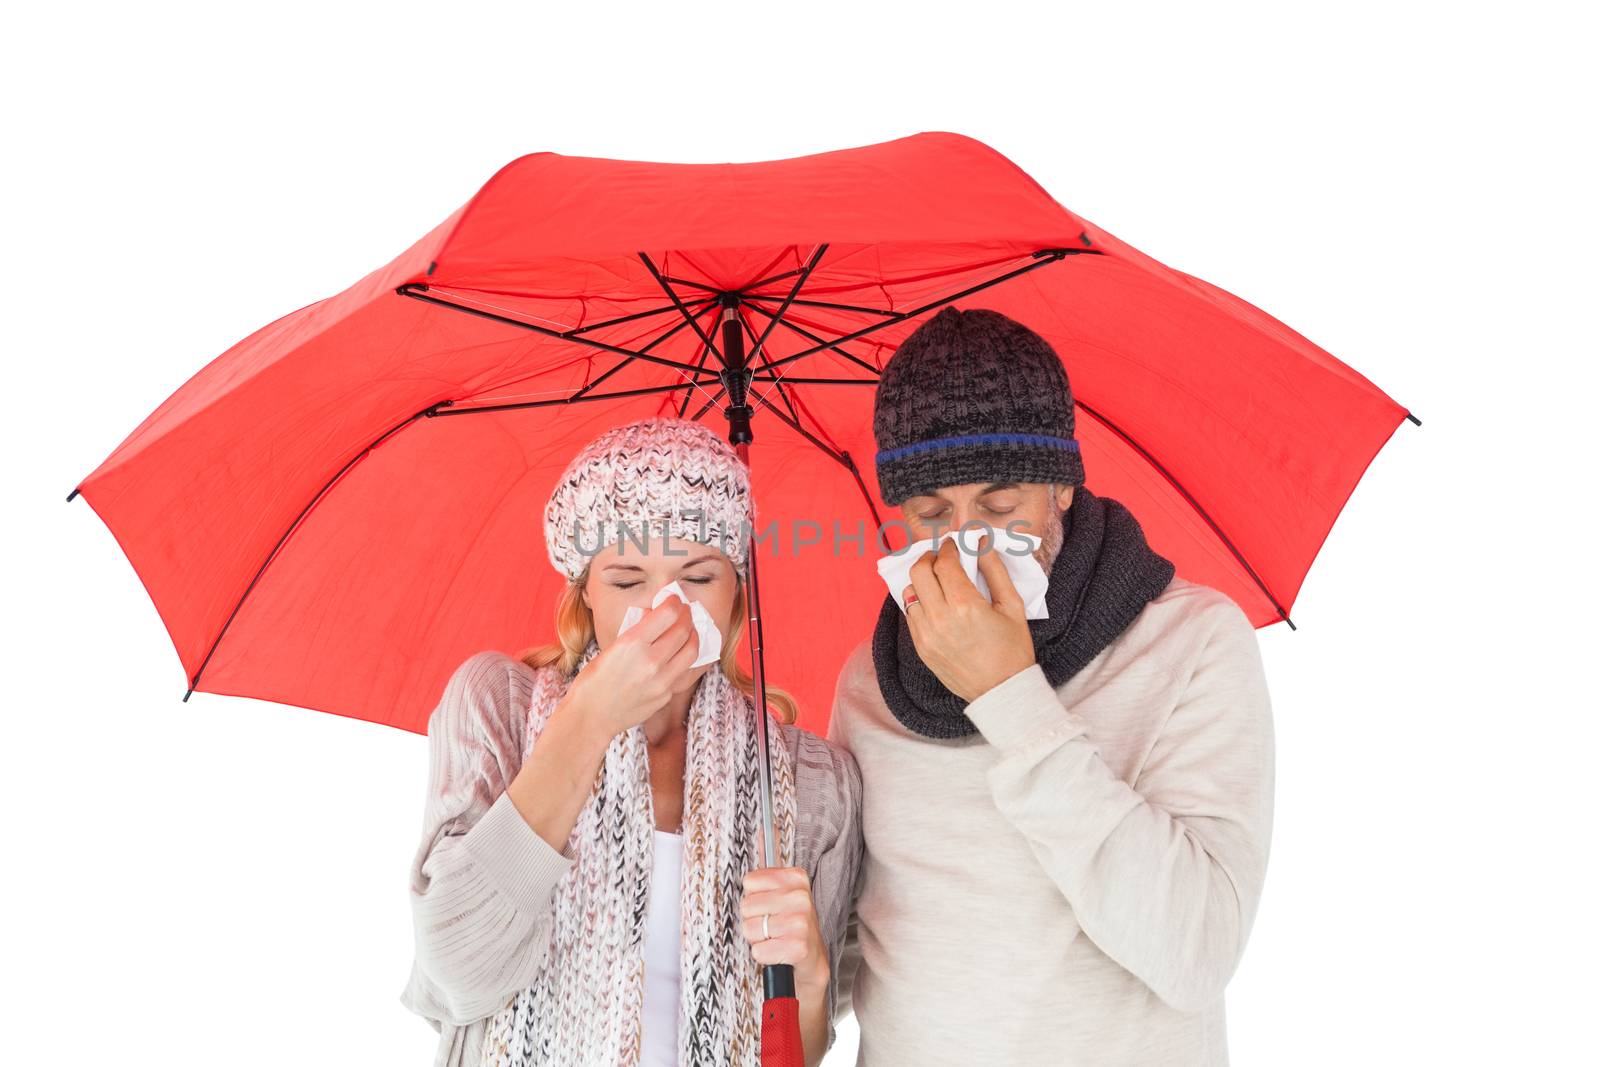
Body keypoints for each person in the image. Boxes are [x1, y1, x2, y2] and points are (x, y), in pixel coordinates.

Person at [828, 306, 1275, 1065]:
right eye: (932, 513)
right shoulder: (870, 682)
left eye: (1000, 506)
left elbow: (1195, 950)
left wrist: (1009, 695)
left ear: (1061, 486)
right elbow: (838, 970)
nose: (967, 536)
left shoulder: (1192, 641)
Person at [399, 416, 863, 1067]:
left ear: (737, 594)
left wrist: (809, 982)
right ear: (584, 590)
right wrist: (588, 717)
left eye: (698, 576)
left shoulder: (810, 781)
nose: (665, 606)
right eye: (626, 580)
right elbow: (457, 972)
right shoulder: (498, 707)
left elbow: (796, 1053)